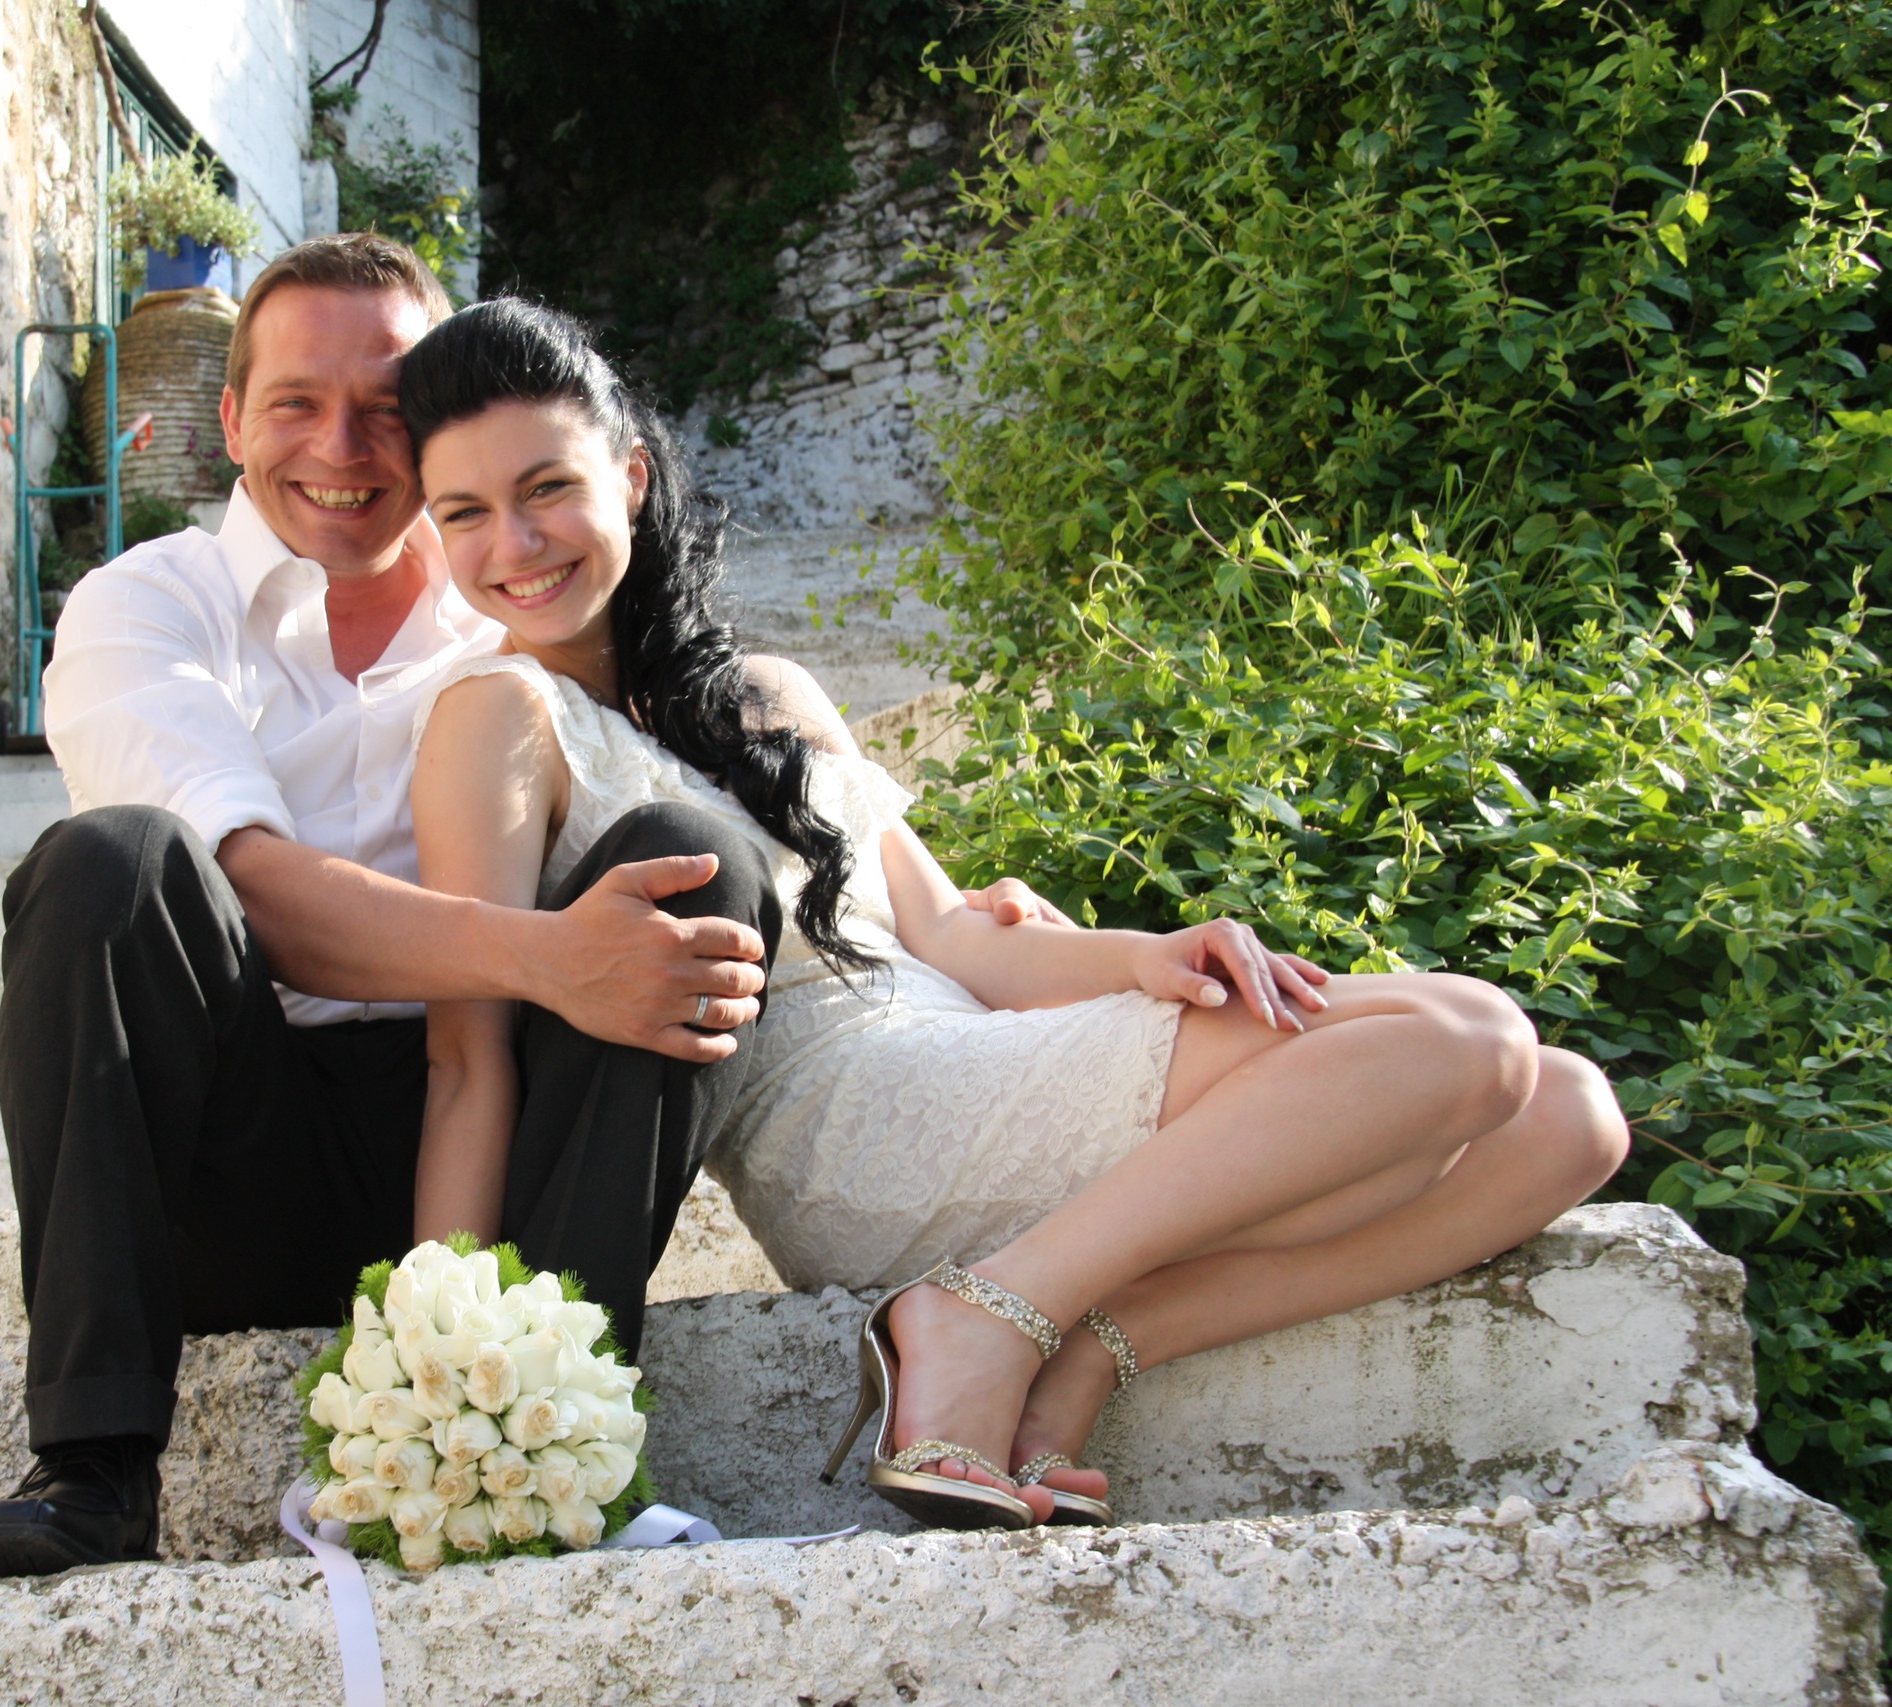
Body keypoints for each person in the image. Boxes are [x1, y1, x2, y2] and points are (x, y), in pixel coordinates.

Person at [396, 297, 1633, 1532]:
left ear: (628, 476)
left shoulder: (771, 693)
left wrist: (1143, 955)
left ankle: (1081, 1346)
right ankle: (965, 1320)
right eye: (464, 513)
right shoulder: (496, 716)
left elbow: (951, 936)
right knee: (1469, 1043)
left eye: (547, 488)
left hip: (967, 1048)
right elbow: (469, 1059)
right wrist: (435, 1374)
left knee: (1567, 1118)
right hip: (847, 1133)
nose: (515, 542)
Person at [0, 236, 790, 1578]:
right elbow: (254, 889)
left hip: (499, 1142)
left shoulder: (511, 600)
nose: (340, 446)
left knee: (690, 862)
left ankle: (549, 1427)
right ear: (233, 419)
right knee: (111, 861)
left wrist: (979, 922)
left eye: (384, 407)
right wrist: (551, 956)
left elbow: (734, 768)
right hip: (237, 1160)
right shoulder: (144, 607)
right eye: (297, 401)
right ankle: (94, 1463)